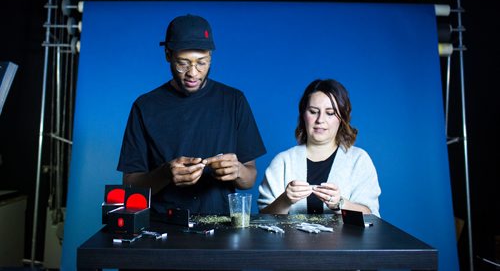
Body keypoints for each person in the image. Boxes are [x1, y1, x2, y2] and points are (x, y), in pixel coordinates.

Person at [117, 14, 266, 215]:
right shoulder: (144, 106)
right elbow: (130, 188)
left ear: (211, 57)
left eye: (202, 63)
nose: (193, 73)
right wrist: (165, 173)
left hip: (220, 228)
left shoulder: (234, 100)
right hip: (162, 228)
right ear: (168, 55)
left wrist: (237, 170)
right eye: (183, 63)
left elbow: (249, 179)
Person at [258, 78, 381, 216]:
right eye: (313, 111)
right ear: (303, 114)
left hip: (346, 238)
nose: (320, 120)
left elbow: (372, 216)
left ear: (342, 118)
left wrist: (339, 204)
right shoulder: (283, 161)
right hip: (290, 239)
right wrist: (285, 200)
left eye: (330, 113)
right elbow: (263, 217)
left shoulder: (359, 160)